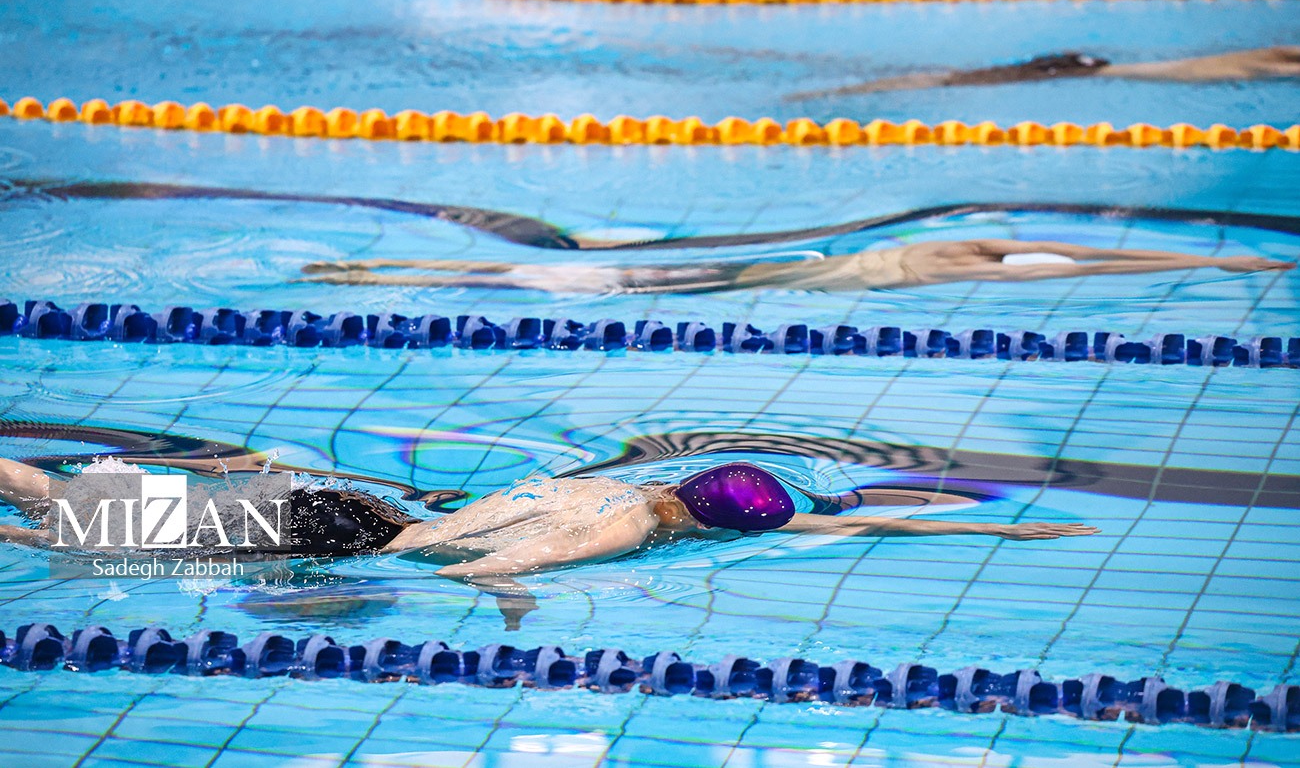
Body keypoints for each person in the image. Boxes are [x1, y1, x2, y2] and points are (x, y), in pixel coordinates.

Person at [0, 458, 1095, 625]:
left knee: (75, 507)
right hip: (348, 542)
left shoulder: (626, 487)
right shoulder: (622, 533)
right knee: (72, 538)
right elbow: (501, 565)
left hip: (354, 507)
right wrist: (509, 607)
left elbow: (823, 515)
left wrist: (987, 521)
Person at [298, 238, 1295, 295]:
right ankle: (382, 274)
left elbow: (1081, 259)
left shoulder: (968, 249)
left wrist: (1212, 257)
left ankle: (380, 272)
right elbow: (1082, 265)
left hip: (794, 263)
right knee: (582, 282)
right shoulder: (971, 267)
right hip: (780, 275)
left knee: (514, 274)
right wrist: (1213, 259)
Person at [787, 46, 1300, 101]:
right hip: (1074, 72)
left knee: (948, 78)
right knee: (947, 80)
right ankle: (829, 92)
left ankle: (830, 91)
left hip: (1077, 68)